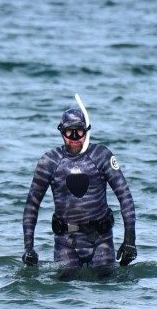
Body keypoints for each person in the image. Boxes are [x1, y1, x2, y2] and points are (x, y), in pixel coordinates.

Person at [22, 106, 136, 272]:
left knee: (106, 282)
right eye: (69, 132)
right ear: (62, 132)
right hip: (65, 242)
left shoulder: (101, 156)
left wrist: (130, 241)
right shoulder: (49, 162)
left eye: (79, 132)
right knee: (65, 284)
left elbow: (125, 196)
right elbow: (32, 205)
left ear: (86, 131)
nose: (74, 137)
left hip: (101, 240)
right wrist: (28, 248)